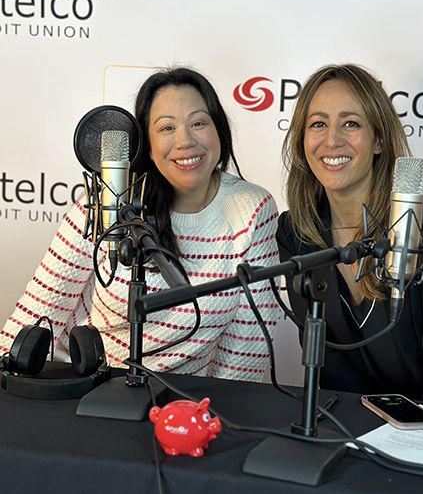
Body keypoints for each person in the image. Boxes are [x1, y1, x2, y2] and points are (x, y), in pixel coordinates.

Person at [0, 67, 281, 382]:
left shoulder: (252, 209)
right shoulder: (108, 203)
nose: (185, 141)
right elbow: (35, 317)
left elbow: (248, 348)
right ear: (145, 144)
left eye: (199, 123)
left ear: (220, 130)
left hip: (185, 400)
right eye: (166, 128)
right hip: (88, 387)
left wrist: (221, 418)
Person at [276, 63, 423, 407]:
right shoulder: (297, 232)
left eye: (351, 123)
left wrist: (409, 441)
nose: (332, 140)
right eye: (318, 124)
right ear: (301, 141)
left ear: (378, 140)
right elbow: (330, 363)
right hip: (372, 422)